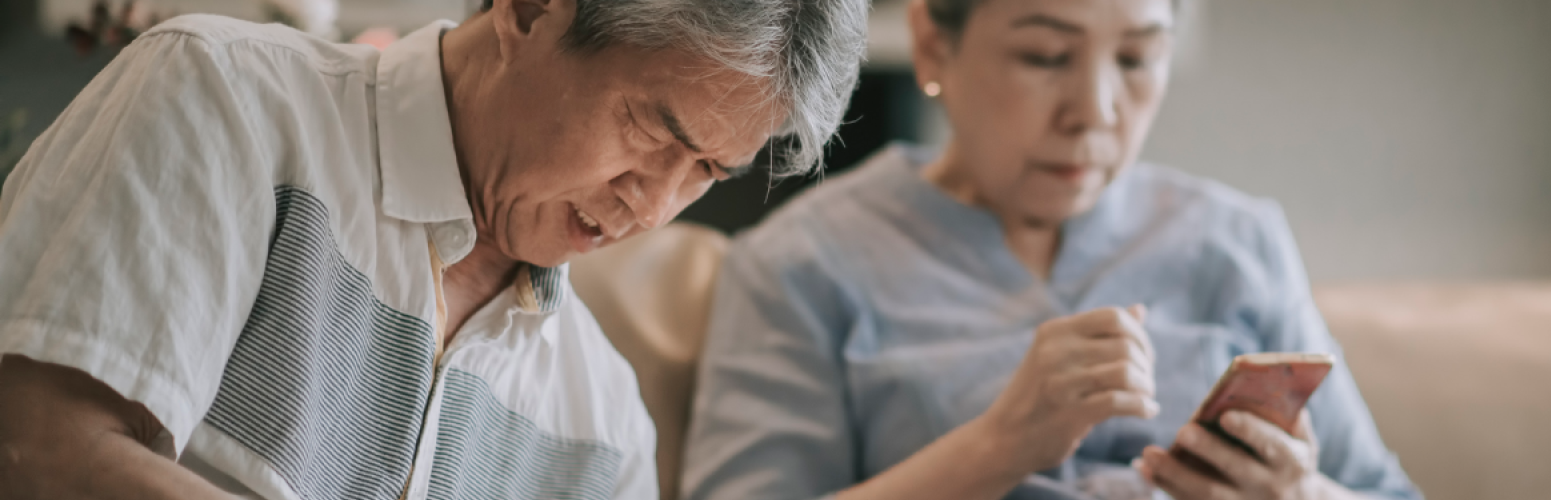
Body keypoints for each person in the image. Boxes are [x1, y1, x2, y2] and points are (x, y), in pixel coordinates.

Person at [0, 0, 865, 497]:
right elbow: (39, 448)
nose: (655, 201)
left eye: (708, 170)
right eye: (647, 127)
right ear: (529, 10)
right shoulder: (226, 102)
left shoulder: (606, 427)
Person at [679, 0, 1422, 499]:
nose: (1094, 111)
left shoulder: (1237, 239)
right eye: (1043, 56)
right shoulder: (802, 262)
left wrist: (1305, 494)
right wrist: (998, 444)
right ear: (936, 42)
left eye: (1135, 60)